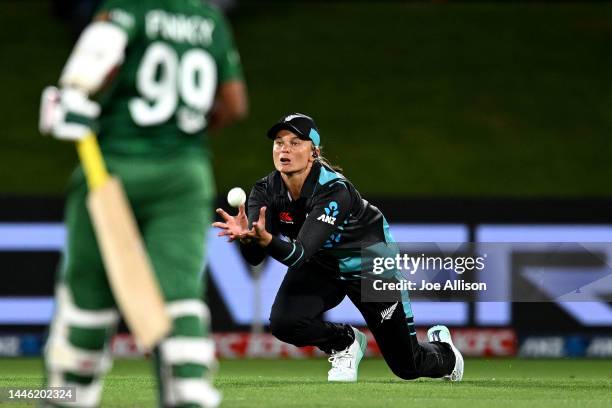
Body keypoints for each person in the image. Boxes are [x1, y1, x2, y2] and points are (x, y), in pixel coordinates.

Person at [39, 0, 247, 406]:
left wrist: (71, 95)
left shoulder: (129, 8)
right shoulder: (209, 21)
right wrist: (186, 132)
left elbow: (96, 53)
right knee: (181, 293)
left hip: (113, 167)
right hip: (185, 175)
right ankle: (189, 386)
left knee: (89, 292)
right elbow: (236, 104)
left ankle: (68, 389)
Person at [213, 113, 463, 383]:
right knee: (285, 323)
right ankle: (344, 342)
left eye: (296, 142)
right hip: (323, 264)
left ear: (314, 152)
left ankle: (446, 353)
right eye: (279, 142)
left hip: (370, 265)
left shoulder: (334, 190)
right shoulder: (265, 190)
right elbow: (255, 258)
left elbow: (299, 254)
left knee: (408, 367)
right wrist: (249, 239)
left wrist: (267, 240)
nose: (284, 148)